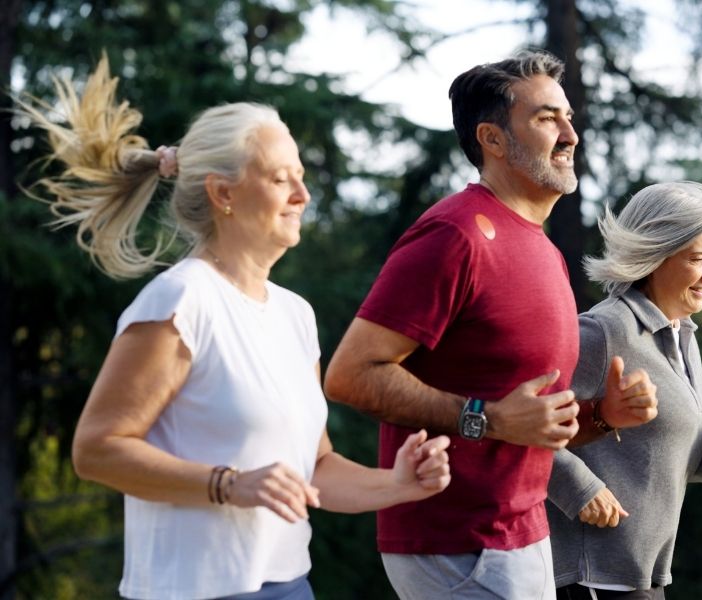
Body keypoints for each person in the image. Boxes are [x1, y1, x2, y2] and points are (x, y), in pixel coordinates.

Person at [14, 56, 452, 600]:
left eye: (301, 177)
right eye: (279, 179)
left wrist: (396, 484)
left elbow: (312, 467)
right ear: (223, 193)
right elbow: (97, 449)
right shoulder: (180, 299)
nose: (302, 196)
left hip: (291, 587)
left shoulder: (296, 314)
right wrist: (228, 483)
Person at [323, 50, 658, 600]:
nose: (570, 133)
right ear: (493, 140)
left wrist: (601, 417)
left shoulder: (542, 250)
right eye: (547, 118)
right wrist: (488, 419)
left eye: (568, 117)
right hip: (457, 546)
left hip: (521, 537)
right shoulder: (456, 235)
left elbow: (527, 428)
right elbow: (351, 375)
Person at [547, 181, 702, 599]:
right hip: (593, 577)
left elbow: (666, 456)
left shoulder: (682, 335)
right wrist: (581, 489)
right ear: (655, 256)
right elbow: (521, 425)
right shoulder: (605, 330)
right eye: (698, 259)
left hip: (644, 575)